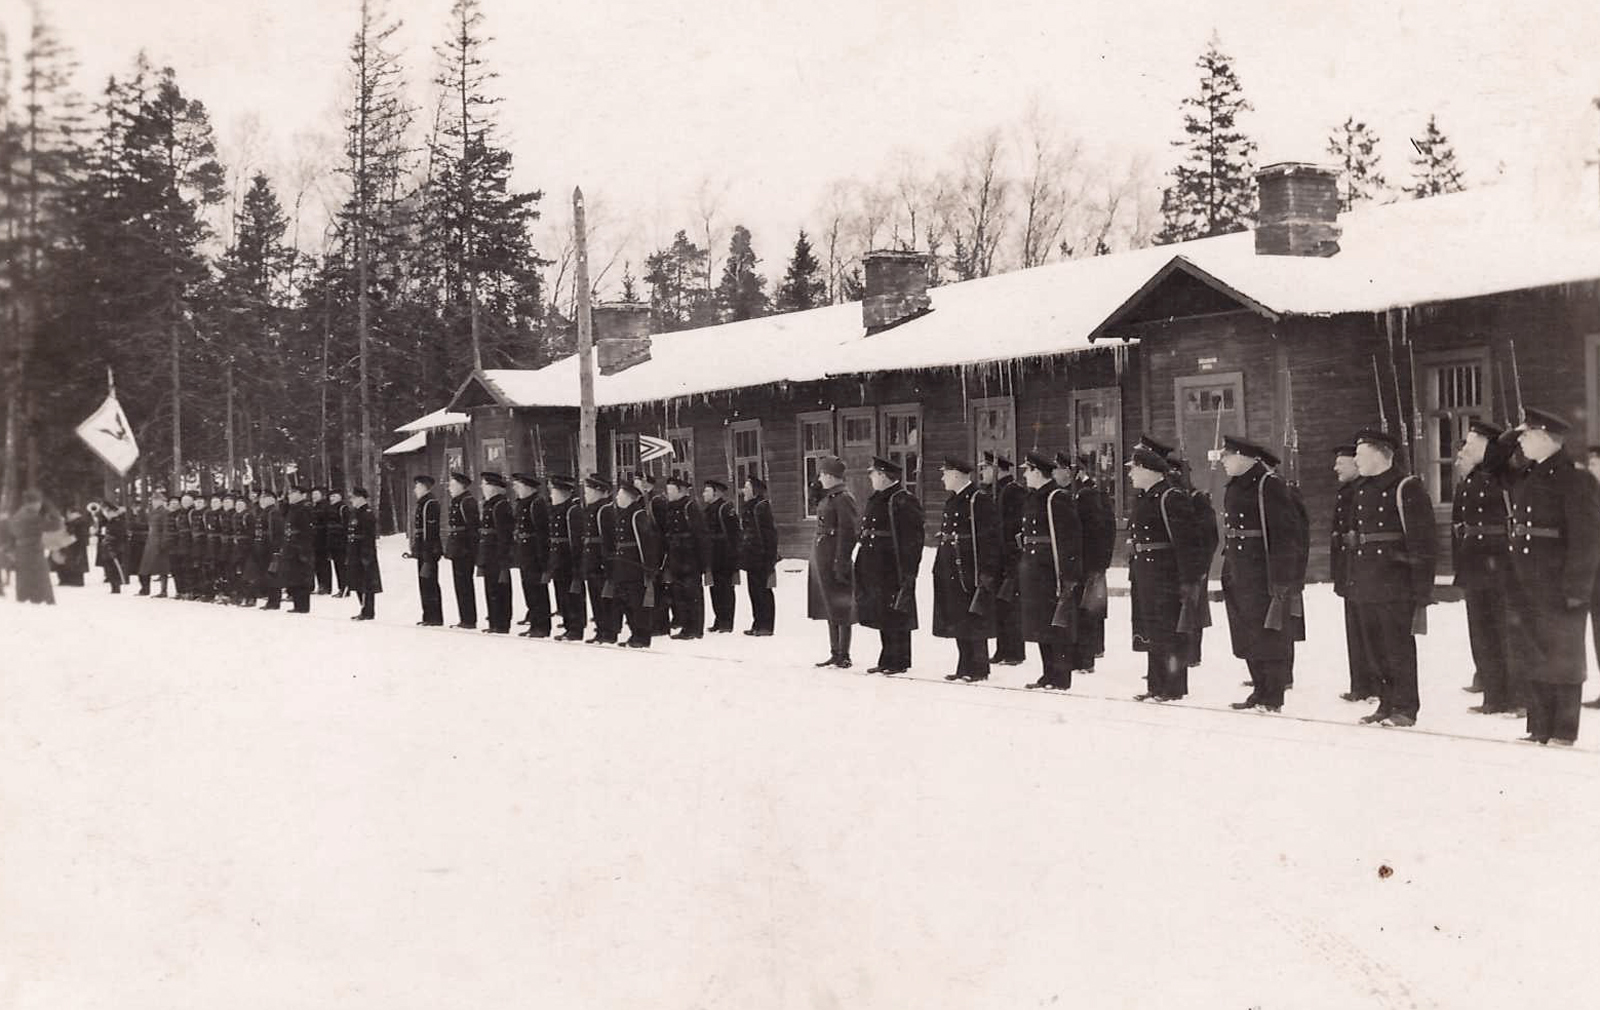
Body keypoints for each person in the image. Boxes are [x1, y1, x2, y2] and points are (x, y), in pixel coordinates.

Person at [1506, 409, 1600, 744]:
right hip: (1529, 580)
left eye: (1526, 434)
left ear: (1545, 437)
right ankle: (1539, 727)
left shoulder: (1575, 478)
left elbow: (1586, 539)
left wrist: (1576, 588)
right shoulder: (1531, 473)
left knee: (1564, 658)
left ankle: (1563, 730)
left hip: (1559, 583)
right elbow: (1496, 458)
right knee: (1534, 653)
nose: (1519, 440)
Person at [1345, 428, 1436, 727]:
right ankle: (1386, 702)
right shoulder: (1361, 489)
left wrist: (1422, 589)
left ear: (1380, 454)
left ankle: (1405, 707)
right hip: (1366, 580)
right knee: (1374, 649)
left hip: (1396, 582)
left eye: (1360, 453)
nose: (1355, 459)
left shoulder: (1407, 487)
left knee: (1397, 648)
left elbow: (1423, 541)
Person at [1218, 436, 1308, 713]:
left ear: (1243, 456)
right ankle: (1259, 689)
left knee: (1269, 634)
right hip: (1238, 569)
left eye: (1227, 455)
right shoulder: (1236, 484)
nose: (1222, 461)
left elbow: (1285, 534)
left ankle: (1273, 695)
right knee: (1247, 632)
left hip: (1262, 572)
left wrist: (1282, 579)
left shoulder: (1269, 484)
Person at [1126, 444, 1209, 702]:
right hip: (1146, 573)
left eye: (1134, 469)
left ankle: (1173, 687)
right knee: (1152, 629)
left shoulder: (1170, 497)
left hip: (1166, 575)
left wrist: (1188, 580)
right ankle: (1156, 684)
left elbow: (1187, 542)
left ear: (1147, 470)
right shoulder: (1145, 497)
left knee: (1169, 631)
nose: (1130, 474)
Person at [1452, 421, 1519, 715]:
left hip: (1502, 563)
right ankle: (1493, 697)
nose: (1465, 448)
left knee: (1506, 632)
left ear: (1487, 445)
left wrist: (1498, 443)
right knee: (1482, 634)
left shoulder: (1504, 472)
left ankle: (1517, 698)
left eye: (1470, 442)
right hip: (1475, 564)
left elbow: (1503, 453)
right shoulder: (1472, 478)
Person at [933, 457, 1002, 683]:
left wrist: (987, 571)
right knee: (958, 616)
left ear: (956, 474)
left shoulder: (978, 500)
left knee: (974, 618)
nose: (942, 478)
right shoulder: (954, 500)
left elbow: (991, 539)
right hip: (953, 567)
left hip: (971, 568)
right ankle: (964, 666)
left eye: (945, 473)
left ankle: (979, 668)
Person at [1018, 451, 1082, 690]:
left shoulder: (1056, 498)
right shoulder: (1034, 497)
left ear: (1037, 472)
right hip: (1034, 568)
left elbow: (1070, 538)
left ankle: (1061, 677)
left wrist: (1069, 576)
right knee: (1041, 622)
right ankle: (1048, 673)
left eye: (1027, 470)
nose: (1025, 475)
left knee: (1057, 624)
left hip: (1051, 569)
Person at [855, 458, 922, 674]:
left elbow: (913, 539)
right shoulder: (878, 498)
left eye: (873, 474)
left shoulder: (902, 500)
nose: (871, 478)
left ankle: (899, 661)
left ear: (883, 476)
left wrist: (909, 572)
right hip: (875, 564)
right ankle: (887, 658)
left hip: (893, 566)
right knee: (882, 612)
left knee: (897, 612)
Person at [1054, 452, 1114, 676]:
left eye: (1058, 469)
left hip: (1088, 562)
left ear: (1073, 472)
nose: (1054, 473)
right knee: (1078, 611)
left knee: (1087, 611)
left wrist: (1096, 566)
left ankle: (1086, 658)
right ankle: (1080, 656)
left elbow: (1099, 532)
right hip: (1078, 561)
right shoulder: (1075, 492)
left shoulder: (1087, 494)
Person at [1330, 444, 1376, 702]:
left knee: (1365, 628)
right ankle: (1360, 683)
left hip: (1359, 567)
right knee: (1354, 627)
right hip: (1348, 567)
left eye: (1341, 463)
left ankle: (1370, 684)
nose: (1335, 467)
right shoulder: (1347, 491)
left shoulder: (1359, 490)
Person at [808, 456, 858, 668]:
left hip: (834, 557)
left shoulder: (843, 498)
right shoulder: (829, 496)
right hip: (823, 556)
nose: (819, 479)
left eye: (821, 475)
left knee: (841, 605)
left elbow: (849, 532)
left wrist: (841, 560)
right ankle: (834, 651)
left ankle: (844, 654)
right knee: (829, 604)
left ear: (830, 476)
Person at [981, 452, 1028, 666]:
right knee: (1000, 604)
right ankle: (1003, 649)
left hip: (1010, 556)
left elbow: (1013, 527)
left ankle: (1015, 651)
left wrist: (1012, 556)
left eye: (985, 468)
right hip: (998, 555)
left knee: (1011, 604)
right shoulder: (996, 490)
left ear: (997, 470)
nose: (982, 472)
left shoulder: (1013, 491)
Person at [610, 479, 664, 648]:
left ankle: (642, 636)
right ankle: (635, 634)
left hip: (635, 567)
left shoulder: (637, 515)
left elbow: (647, 543)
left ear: (628, 498)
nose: (617, 498)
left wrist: (649, 568)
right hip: (623, 566)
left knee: (637, 603)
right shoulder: (623, 514)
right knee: (627, 602)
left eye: (620, 495)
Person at [663, 475, 709, 640]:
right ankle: (686, 627)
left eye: (671, 490)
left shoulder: (690, 507)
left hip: (690, 558)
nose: (668, 493)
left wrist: (703, 562)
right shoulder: (671, 507)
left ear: (680, 491)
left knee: (692, 594)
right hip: (676, 557)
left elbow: (701, 535)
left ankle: (695, 628)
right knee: (680, 594)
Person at [508, 473, 551, 638]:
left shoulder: (536, 504)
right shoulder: (522, 503)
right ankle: (534, 623)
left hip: (534, 552)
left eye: (518, 486)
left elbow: (542, 532)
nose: (515, 489)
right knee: (529, 589)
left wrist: (542, 556)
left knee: (538, 590)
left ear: (528, 487)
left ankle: (542, 626)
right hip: (524, 552)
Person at [546, 476, 586, 640]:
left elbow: (575, 538)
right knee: (563, 594)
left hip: (568, 558)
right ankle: (569, 624)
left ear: (562, 493)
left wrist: (577, 563)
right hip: (559, 558)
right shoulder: (557, 510)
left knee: (573, 594)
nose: (551, 495)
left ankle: (576, 628)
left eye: (554, 492)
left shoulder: (572, 511)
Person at [581, 475, 620, 644]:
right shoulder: (592, 509)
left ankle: (609, 632)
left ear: (598, 492)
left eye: (588, 491)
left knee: (606, 597)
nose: (585, 494)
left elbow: (610, 538)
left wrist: (608, 561)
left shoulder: (605, 510)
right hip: (592, 559)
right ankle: (601, 629)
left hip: (602, 560)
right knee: (596, 597)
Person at [739, 474, 778, 636]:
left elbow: (770, 535)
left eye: (746, 487)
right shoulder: (750, 506)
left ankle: (766, 626)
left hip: (762, 557)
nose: (743, 490)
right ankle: (757, 623)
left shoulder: (761, 507)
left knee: (763, 592)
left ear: (754, 491)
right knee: (754, 591)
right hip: (752, 556)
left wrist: (770, 558)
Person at [477, 471, 516, 634]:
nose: (482, 487)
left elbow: (504, 533)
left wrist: (503, 556)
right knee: (491, 587)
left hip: (497, 553)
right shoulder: (490, 504)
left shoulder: (500, 505)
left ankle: (501, 622)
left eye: (484, 484)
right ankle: (494, 620)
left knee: (499, 589)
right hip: (488, 552)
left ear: (492, 487)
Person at [702, 479, 741, 632]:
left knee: (725, 590)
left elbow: (734, 534)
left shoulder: (725, 508)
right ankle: (719, 619)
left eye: (707, 491)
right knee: (715, 590)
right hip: (712, 556)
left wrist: (734, 556)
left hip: (725, 556)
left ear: (716, 493)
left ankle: (727, 622)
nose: (703, 494)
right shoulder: (708, 510)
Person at [407, 475, 445, 626]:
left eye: (417, 487)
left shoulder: (430, 504)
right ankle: (428, 615)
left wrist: (428, 551)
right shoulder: (423, 503)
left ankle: (434, 617)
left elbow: (430, 531)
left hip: (429, 549)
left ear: (423, 487)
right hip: (423, 549)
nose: (415, 490)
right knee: (424, 582)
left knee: (430, 582)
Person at [444, 472, 480, 629]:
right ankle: (464, 617)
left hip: (464, 549)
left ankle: (469, 619)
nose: (449, 488)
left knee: (465, 584)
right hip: (458, 548)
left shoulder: (467, 502)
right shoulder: (458, 501)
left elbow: (472, 527)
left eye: (452, 485)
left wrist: (470, 550)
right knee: (460, 584)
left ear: (461, 486)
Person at [7, 490, 56, 604]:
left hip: (21, 550)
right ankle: (40, 600)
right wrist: (51, 510)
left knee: (24, 578)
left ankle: (25, 598)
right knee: (40, 578)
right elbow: (54, 525)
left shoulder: (18, 515)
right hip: (34, 550)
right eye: (38, 502)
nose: (39, 505)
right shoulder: (33, 517)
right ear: (34, 503)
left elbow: (11, 533)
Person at [277, 485, 317, 613]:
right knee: (293, 576)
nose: (290, 495)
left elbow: (307, 531)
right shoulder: (292, 508)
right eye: (290, 493)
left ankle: (302, 605)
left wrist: (301, 547)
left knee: (301, 577)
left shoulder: (304, 509)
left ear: (302, 495)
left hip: (300, 548)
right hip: (290, 547)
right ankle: (297, 604)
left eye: (294, 493)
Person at [345, 486, 382, 620]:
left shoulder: (367, 513)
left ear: (360, 498)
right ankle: (364, 608)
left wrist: (366, 554)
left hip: (364, 552)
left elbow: (368, 536)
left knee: (366, 582)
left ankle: (367, 611)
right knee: (357, 580)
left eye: (353, 498)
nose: (351, 500)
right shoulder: (355, 512)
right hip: (355, 550)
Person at [254, 488, 285, 610]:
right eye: (261, 499)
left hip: (270, 547)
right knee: (267, 574)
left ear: (271, 500)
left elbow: (276, 532)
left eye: (264, 499)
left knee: (272, 574)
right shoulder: (265, 512)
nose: (261, 501)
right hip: (263, 547)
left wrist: (276, 549)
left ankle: (274, 601)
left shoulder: (273, 512)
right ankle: (271, 600)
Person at [140, 491, 173, 598]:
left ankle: (164, 590)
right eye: (153, 500)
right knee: (147, 566)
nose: (154, 502)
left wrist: (164, 543)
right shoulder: (152, 512)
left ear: (162, 501)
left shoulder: (165, 512)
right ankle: (146, 589)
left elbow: (165, 529)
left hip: (159, 542)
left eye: (157, 500)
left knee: (163, 567)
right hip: (151, 542)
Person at [53, 504, 91, 587]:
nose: (68, 516)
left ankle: (75, 580)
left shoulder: (79, 523)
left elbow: (79, 535)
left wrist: (68, 540)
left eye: (69, 513)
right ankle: (69, 579)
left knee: (77, 563)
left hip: (76, 546)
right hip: (72, 546)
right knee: (71, 563)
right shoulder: (72, 522)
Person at [96, 500, 129, 594]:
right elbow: (104, 533)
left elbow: (120, 535)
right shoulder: (108, 522)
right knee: (109, 567)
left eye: (108, 512)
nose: (106, 514)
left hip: (115, 547)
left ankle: (116, 587)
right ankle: (113, 586)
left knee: (114, 568)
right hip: (108, 547)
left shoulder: (118, 522)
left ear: (113, 512)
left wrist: (110, 539)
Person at [310, 486, 334, 595]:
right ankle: (321, 585)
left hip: (323, 539)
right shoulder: (313, 507)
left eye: (316, 494)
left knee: (323, 563)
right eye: (313, 495)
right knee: (317, 563)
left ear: (322, 495)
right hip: (314, 539)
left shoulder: (325, 507)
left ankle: (326, 586)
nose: (314, 496)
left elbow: (326, 523)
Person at [328, 488, 351, 598]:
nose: (331, 498)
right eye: (331, 496)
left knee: (342, 566)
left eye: (334, 496)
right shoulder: (330, 509)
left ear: (340, 497)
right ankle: (341, 587)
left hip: (342, 542)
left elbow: (347, 525)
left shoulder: (343, 508)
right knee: (337, 566)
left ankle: (345, 588)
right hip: (333, 542)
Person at [127, 494, 151, 595]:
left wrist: (134, 526)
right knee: (138, 567)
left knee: (143, 566)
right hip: (135, 543)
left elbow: (146, 526)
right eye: (133, 506)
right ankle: (143, 587)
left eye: (137, 506)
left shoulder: (144, 516)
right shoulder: (133, 516)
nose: (135, 509)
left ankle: (145, 587)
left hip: (142, 543)